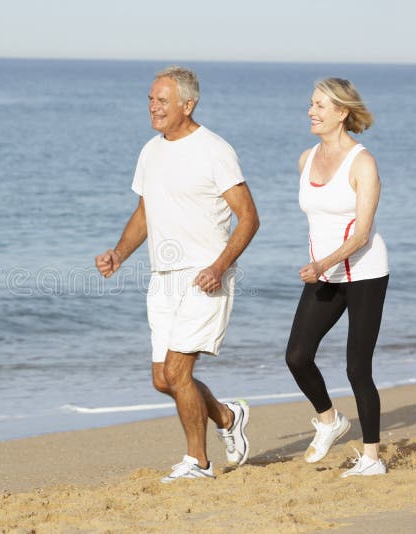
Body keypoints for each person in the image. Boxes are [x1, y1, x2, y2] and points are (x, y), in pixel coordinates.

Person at [95, 65, 260, 483]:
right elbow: (145, 212)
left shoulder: (213, 150)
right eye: (150, 99)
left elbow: (249, 218)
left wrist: (220, 266)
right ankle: (226, 415)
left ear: (188, 104)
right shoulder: (151, 151)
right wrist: (119, 253)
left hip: (205, 275)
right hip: (162, 275)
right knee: (162, 380)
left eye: (162, 100)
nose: (153, 107)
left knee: (178, 373)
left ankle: (198, 463)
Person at [285, 77, 389, 477]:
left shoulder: (363, 162)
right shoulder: (305, 158)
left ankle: (371, 459)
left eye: (321, 106)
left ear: (342, 112)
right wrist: (322, 266)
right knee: (297, 356)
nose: (311, 111)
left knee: (357, 368)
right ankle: (329, 420)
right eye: (311, 103)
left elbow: (362, 233)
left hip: (365, 272)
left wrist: (322, 263)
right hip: (325, 273)